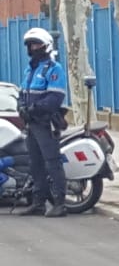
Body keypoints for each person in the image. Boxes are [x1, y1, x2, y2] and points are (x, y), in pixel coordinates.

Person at [17, 27, 68, 218]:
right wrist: (21, 107)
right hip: (31, 124)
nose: (33, 47)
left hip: (46, 124)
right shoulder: (30, 70)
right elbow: (23, 93)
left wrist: (33, 110)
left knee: (52, 162)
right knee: (35, 163)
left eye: (37, 44)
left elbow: (55, 98)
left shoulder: (54, 69)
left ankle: (60, 204)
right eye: (31, 45)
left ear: (46, 46)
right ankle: (38, 203)